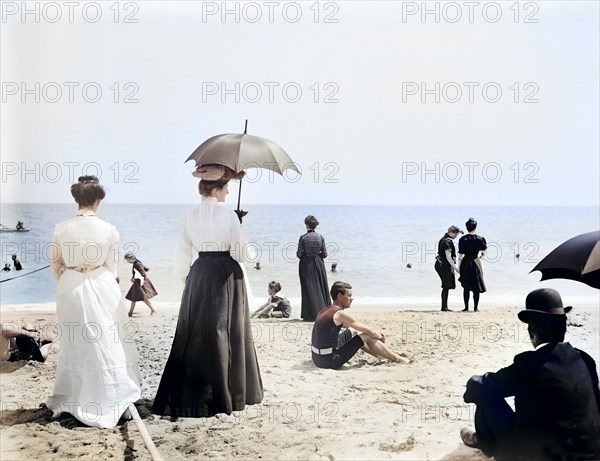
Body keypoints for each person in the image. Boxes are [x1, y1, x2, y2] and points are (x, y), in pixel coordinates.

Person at [153, 164, 263, 418]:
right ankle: (228, 394)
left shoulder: (189, 215)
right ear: (217, 188)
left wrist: (185, 280)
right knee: (227, 330)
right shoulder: (228, 216)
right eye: (226, 187)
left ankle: (190, 394)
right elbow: (242, 253)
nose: (227, 191)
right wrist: (239, 227)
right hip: (225, 274)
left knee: (194, 332)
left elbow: (183, 252)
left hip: (199, 272)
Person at [460, 288, 600, 461]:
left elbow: (477, 386)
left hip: (541, 455)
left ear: (532, 329)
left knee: (487, 394)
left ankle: (485, 443)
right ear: (563, 325)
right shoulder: (586, 359)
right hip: (590, 452)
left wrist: (472, 387)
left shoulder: (530, 364)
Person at [46, 175, 141, 428]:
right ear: (98, 199)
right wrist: (99, 280)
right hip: (101, 283)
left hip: (71, 285)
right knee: (108, 339)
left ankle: (75, 397)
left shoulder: (61, 228)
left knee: (76, 342)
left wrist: (68, 281)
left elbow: (55, 264)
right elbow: (112, 267)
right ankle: (114, 395)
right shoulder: (109, 229)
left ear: (76, 199)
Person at [311, 281, 411, 369]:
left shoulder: (325, 310)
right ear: (340, 296)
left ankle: (379, 355)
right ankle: (397, 359)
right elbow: (370, 331)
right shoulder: (340, 314)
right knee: (366, 335)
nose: (352, 299)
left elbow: (348, 327)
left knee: (353, 332)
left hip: (317, 358)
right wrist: (381, 337)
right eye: (349, 296)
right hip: (329, 361)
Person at [297, 215, 331, 321]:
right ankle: (323, 312)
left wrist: (306, 256)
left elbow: (299, 254)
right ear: (315, 226)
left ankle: (309, 314)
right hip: (318, 263)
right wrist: (317, 256)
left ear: (306, 225)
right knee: (320, 287)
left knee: (307, 288)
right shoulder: (320, 237)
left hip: (306, 263)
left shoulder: (303, 237)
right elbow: (324, 254)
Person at [458, 218, 487, 311]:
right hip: (476, 262)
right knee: (476, 286)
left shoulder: (463, 239)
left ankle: (466, 307)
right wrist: (480, 257)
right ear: (475, 227)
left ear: (467, 228)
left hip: (466, 262)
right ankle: (476, 308)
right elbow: (484, 251)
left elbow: (461, 255)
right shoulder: (481, 239)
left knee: (466, 286)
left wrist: (458, 267)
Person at [434, 225, 461, 311]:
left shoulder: (444, 239)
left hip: (441, 264)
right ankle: (444, 307)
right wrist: (456, 268)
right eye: (456, 234)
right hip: (442, 265)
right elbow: (448, 257)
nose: (456, 236)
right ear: (451, 232)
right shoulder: (447, 242)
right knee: (445, 285)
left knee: (446, 285)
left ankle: (444, 306)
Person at [124, 252, 157, 317]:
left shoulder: (137, 264)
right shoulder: (136, 262)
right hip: (138, 282)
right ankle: (130, 313)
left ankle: (153, 310)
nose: (127, 262)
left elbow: (143, 274)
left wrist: (134, 278)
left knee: (142, 298)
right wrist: (133, 277)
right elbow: (141, 271)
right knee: (134, 298)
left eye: (127, 260)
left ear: (131, 258)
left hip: (140, 283)